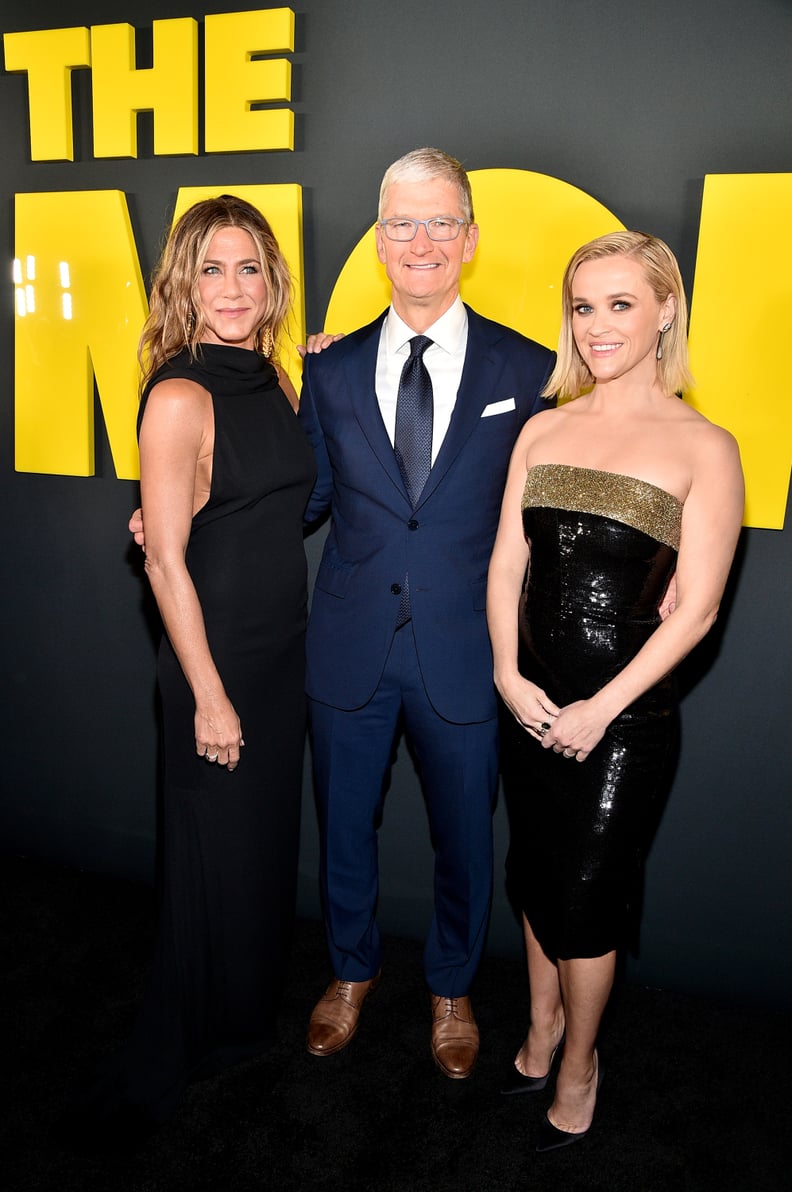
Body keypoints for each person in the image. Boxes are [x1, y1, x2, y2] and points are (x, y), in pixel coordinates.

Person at [298, 148, 555, 1078]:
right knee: (343, 830)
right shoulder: (326, 373)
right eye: (401, 221)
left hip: (465, 651)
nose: (421, 241)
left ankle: (453, 988)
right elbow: (304, 502)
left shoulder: (529, 370)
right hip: (348, 647)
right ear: (376, 240)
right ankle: (350, 973)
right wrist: (187, 505)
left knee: (466, 838)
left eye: (441, 221)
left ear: (471, 238)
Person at [486, 231, 743, 1148]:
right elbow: (507, 559)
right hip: (531, 701)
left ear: (666, 309)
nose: (597, 326)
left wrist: (602, 709)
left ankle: (582, 1063)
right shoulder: (544, 427)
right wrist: (508, 675)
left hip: (625, 719)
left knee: (588, 899)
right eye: (584, 306)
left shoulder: (704, 446)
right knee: (532, 874)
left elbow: (699, 610)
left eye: (621, 304)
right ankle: (543, 1024)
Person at [82, 195, 316, 1137]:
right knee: (210, 858)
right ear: (184, 281)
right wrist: (209, 695)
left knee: (257, 851)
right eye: (212, 269)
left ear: (271, 283)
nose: (231, 288)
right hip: (213, 662)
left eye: (248, 268)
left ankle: (242, 1020)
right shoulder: (179, 394)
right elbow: (168, 559)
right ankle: (196, 1030)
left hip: (279, 652)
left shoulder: (276, 379)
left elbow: (265, 508)